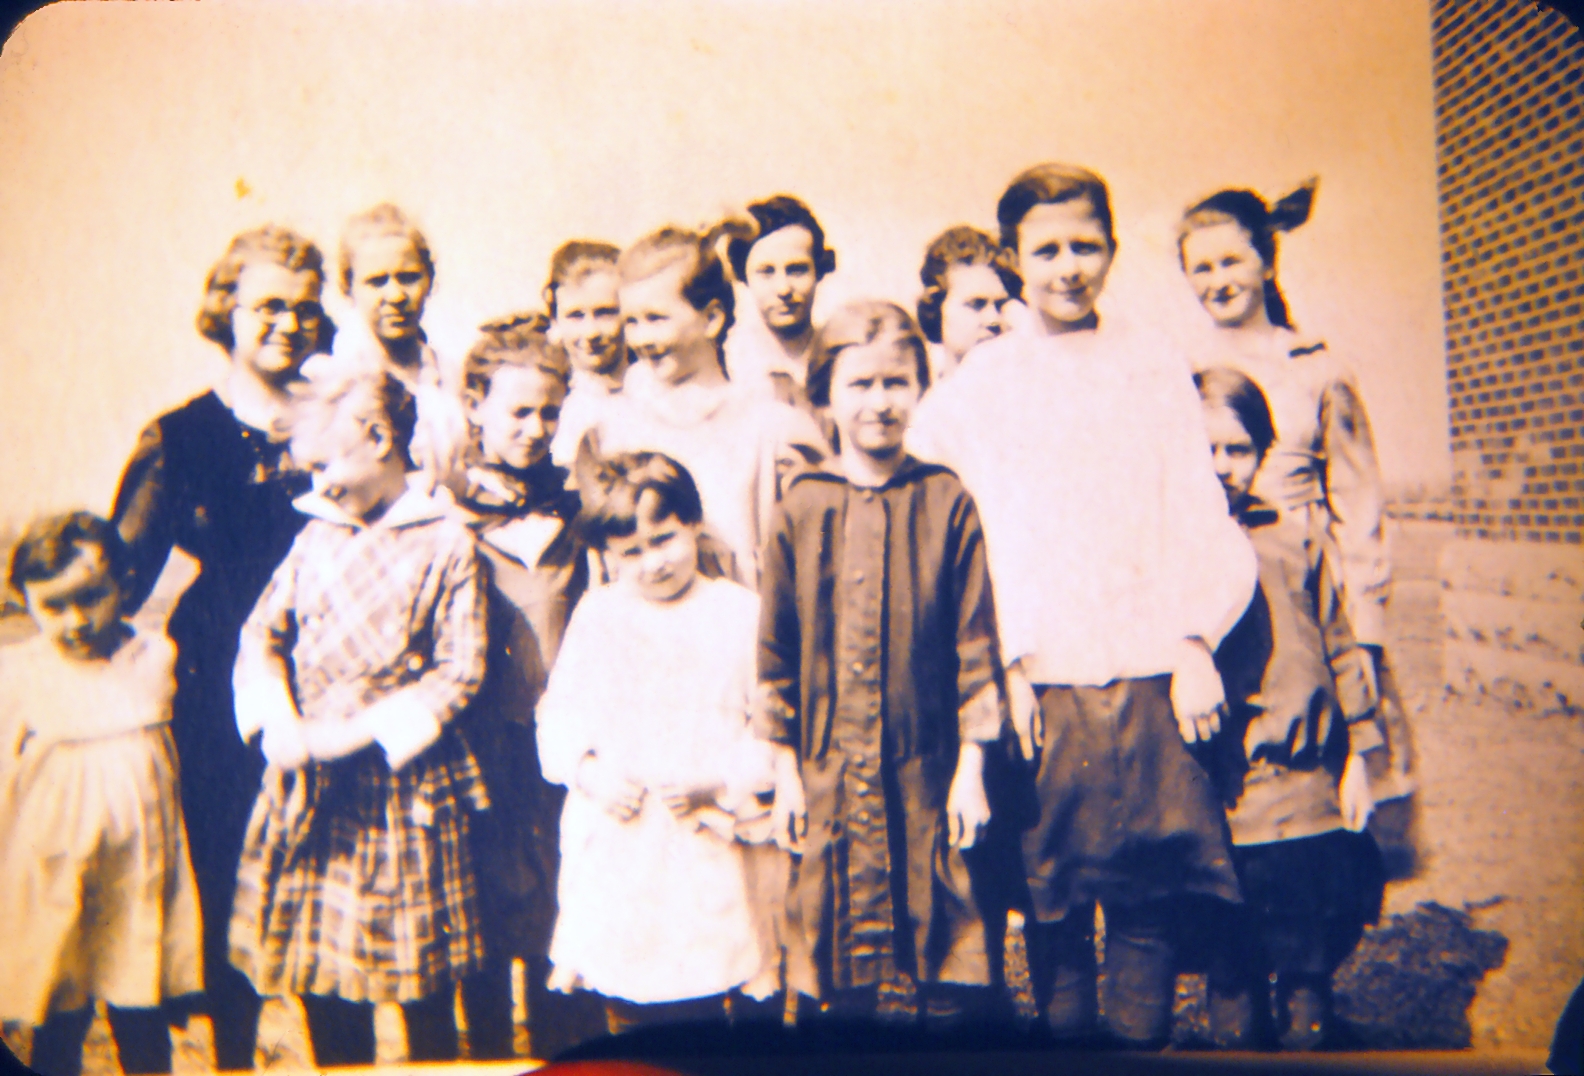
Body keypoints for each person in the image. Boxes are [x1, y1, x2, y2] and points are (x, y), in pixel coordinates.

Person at [908, 162, 1255, 1049]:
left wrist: (1192, 642)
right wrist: (1007, 666)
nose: (1068, 267)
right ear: (1015, 257)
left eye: (1086, 246)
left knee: (1148, 887)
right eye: (1046, 249)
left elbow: (1192, 503)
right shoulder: (985, 385)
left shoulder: (1148, 362)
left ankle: (1136, 1044)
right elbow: (963, 526)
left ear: (1112, 248)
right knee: (1053, 891)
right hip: (1040, 672)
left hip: (1146, 663)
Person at [110, 224, 330, 1070]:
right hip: (214, 701)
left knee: (325, 904)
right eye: (268, 303)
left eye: (305, 308)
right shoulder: (180, 438)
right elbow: (116, 581)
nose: (288, 322)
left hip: (331, 688)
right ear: (225, 311)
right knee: (226, 893)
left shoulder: (345, 423)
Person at [227, 369, 488, 1068]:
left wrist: (354, 734)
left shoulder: (445, 541)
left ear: (377, 439)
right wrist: (278, 722)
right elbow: (262, 634)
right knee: (320, 970)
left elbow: (459, 670)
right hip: (309, 782)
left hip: (397, 787)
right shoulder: (315, 534)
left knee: (416, 975)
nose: (317, 481)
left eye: (324, 464)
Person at [757, 301, 1002, 1029]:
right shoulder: (802, 507)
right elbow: (773, 652)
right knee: (834, 950)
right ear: (827, 396)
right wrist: (783, 770)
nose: (879, 402)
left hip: (924, 764)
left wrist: (971, 771)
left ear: (920, 389)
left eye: (896, 382)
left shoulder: (946, 500)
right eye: (859, 384)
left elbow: (975, 646)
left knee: (945, 943)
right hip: (827, 765)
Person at [1177, 181, 1414, 809]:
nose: (1218, 280)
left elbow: (1359, 507)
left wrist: (1366, 630)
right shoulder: (1177, 374)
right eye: (1201, 267)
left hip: (1308, 593)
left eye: (1232, 261)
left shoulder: (1316, 367)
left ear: (1267, 261)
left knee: (1334, 777)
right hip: (1219, 593)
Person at [536, 451, 775, 1032]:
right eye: (631, 552)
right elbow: (560, 714)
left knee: (709, 975)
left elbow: (770, 727)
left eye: (664, 539)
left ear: (694, 523)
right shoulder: (599, 615)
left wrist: (719, 781)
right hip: (625, 832)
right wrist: (590, 773)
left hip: (706, 828)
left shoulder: (738, 612)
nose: (652, 563)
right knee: (629, 986)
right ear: (608, 556)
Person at [1195, 367, 1388, 1050]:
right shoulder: (1172, 551)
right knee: (1232, 973)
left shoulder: (1296, 540)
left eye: (1239, 449)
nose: (1221, 467)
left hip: (1305, 791)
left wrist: (1361, 757)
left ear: (1265, 451)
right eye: (1204, 448)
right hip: (1219, 799)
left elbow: (1340, 648)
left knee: (1307, 966)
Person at [452, 315, 608, 1059]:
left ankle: (562, 1045)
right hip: (481, 734)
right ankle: (486, 1052)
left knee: (559, 894)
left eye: (550, 411)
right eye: (519, 410)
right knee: (486, 899)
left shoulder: (573, 508)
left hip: (559, 731)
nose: (537, 427)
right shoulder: (446, 510)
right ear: (474, 404)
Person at [0, 513, 202, 1076]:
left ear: (126, 584)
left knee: (139, 995)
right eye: (53, 607)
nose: (76, 621)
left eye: (92, 598)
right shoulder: (19, 673)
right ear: (24, 603)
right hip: (55, 866)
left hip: (138, 867)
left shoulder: (153, 658)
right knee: (59, 1001)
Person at [592, 221, 828, 586]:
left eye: (656, 318)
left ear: (712, 319)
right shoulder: (620, 430)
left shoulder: (773, 428)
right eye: (631, 323)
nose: (641, 338)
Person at [308, 203, 471, 493]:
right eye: (376, 281)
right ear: (348, 288)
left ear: (429, 279)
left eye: (408, 278)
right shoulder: (334, 379)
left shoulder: (448, 375)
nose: (395, 295)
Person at [723, 196, 839, 407]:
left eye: (797, 270)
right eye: (766, 272)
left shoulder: (839, 356)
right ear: (744, 277)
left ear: (819, 271)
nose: (783, 289)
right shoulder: (728, 359)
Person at [543, 241, 629, 468]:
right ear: (555, 321)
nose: (590, 332)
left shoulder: (655, 393)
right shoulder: (549, 405)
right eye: (575, 316)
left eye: (605, 313)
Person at [915, 226, 1023, 384]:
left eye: (1000, 306)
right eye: (976, 305)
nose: (994, 320)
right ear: (937, 312)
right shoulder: (925, 404)